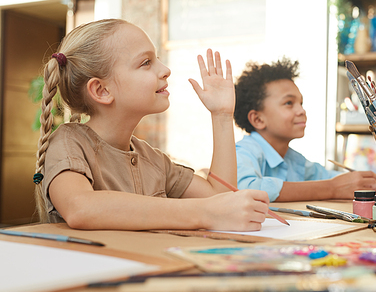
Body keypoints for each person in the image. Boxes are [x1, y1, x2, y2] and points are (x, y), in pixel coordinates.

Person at [33, 19, 269, 231]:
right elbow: (81, 208)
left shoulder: (153, 160)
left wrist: (221, 115)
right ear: (102, 90)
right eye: (146, 62)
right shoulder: (68, 142)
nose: (166, 70)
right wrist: (203, 213)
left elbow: (221, 199)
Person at [234, 57, 376, 202]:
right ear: (258, 119)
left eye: (301, 103)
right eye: (289, 103)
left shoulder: (293, 160)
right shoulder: (243, 152)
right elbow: (246, 189)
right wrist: (331, 188)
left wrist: (369, 182)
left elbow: (328, 177)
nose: (301, 111)